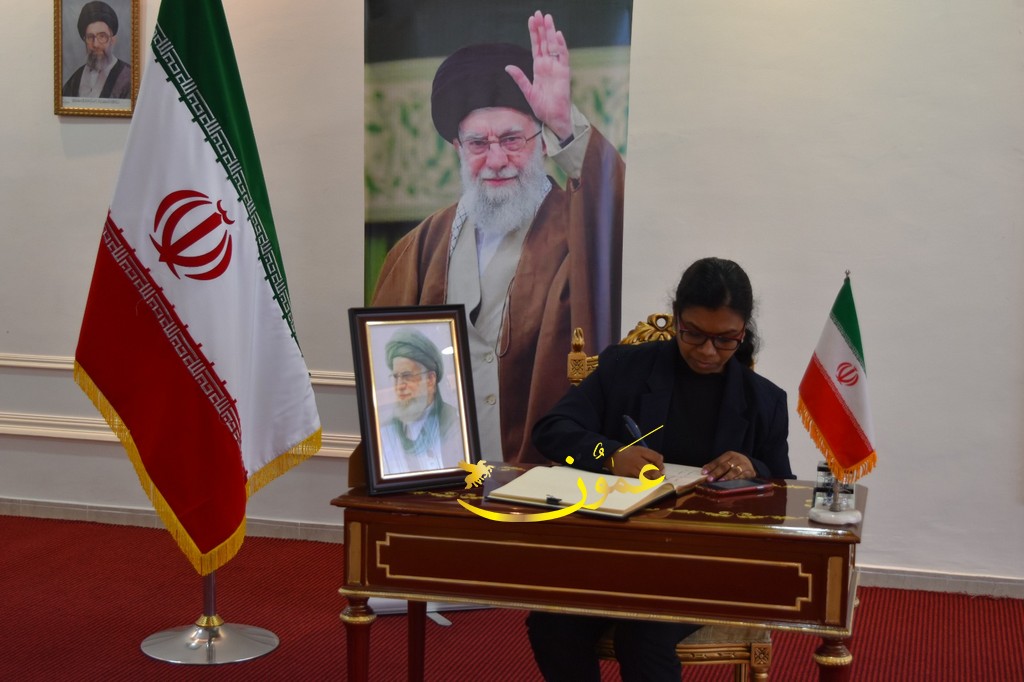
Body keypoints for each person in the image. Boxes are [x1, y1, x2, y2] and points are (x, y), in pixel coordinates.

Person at [371, 11, 625, 465]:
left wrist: (564, 122)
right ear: (457, 147)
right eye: (478, 144)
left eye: (512, 140)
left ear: (543, 142)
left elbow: (619, 213)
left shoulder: (580, 229)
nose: (496, 160)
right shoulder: (418, 249)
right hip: (443, 474)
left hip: (541, 475)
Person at [526, 257, 794, 682]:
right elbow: (551, 430)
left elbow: (785, 491)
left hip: (710, 562)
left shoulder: (764, 400)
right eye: (694, 334)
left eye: (725, 339)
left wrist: (753, 466)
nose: (707, 351)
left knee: (643, 635)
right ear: (676, 319)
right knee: (552, 623)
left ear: (743, 332)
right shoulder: (624, 368)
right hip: (620, 551)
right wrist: (610, 454)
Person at [378, 329, 463, 475]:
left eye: (407, 376)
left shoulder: (456, 424)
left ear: (430, 380)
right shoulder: (386, 435)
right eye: (396, 377)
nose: (399, 386)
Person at [62, 1, 132, 100]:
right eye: (90, 37)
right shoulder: (75, 79)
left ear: (113, 40)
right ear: (84, 40)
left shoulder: (128, 77)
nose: (95, 44)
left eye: (102, 36)